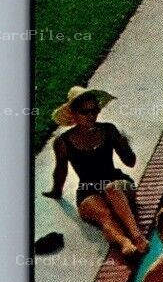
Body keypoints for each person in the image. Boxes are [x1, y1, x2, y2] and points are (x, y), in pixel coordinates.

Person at [42, 87, 148, 259]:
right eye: (85, 112)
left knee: (111, 188)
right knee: (105, 215)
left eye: (94, 110)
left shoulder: (108, 130)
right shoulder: (63, 142)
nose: (91, 115)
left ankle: (137, 236)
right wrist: (56, 191)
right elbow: (61, 170)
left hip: (117, 182)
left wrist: (124, 143)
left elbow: (130, 161)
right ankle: (124, 243)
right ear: (74, 114)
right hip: (88, 189)